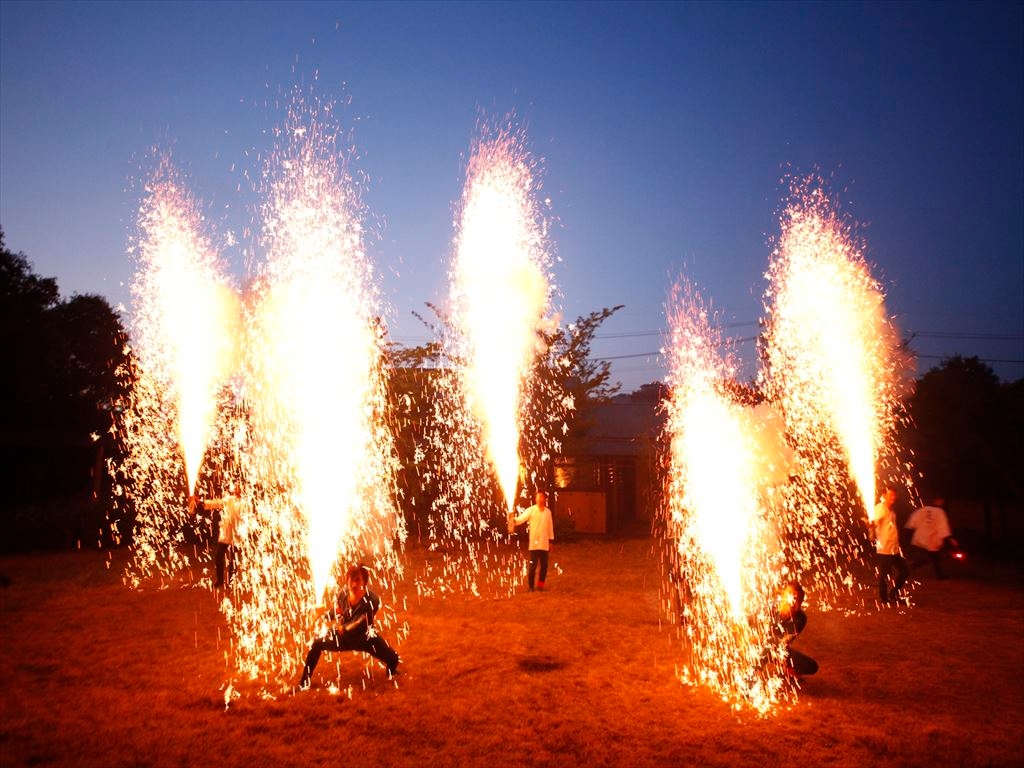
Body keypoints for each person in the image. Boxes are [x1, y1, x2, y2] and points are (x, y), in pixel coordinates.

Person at [298, 564, 400, 689]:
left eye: (358, 580)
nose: (354, 585)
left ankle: (392, 673)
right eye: (351, 580)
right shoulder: (344, 593)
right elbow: (339, 610)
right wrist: (321, 616)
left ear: (364, 582)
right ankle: (304, 683)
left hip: (366, 638)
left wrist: (344, 628)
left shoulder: (372, 600)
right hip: (343, 638)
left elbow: (360, 622)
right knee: (316, 644)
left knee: (393, 659)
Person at [190, 492, 241, 588]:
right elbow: (215, 503)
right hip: (225, 535)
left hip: (237, 536)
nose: (235, 489)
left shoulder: (246, 503)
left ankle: (231, 582)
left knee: (233, 560)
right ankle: (220, 581)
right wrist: (201, 502)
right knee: (219, 557)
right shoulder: (229, 500)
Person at [870, 487, 909, 604]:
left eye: (894, 495)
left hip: (894, 549)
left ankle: (893, 594)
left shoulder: (890, 510)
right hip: (885, 549)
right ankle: (884, 598)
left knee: (905, 571)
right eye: (891, 495)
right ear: (884, 495)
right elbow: (874, 522)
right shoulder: (880, 508)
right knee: (884, 575)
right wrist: (870, 525)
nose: (893, 497)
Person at [511, 490, 555, 592]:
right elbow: (521, 519)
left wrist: (551, 541)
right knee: (532, 567)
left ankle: (540, 585)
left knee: (544, 567)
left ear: (545, 499)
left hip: (544, 544)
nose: (539, 499)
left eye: (541, 497)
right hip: (534, 544)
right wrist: (513, 521)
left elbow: (550, 527)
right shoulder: (531, 510)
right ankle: (531, 587)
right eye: (538, 497)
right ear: (535, 498)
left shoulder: (548, 512)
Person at [906, 496, 957, 579]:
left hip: (922, 538)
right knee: (933, 557)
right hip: (932, 539)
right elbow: (943, 527)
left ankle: (913, 567)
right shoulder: (940, 512)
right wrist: (950, 538)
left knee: (933, 557)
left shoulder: (923, 509)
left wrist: (909, 532)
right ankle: (912, 567)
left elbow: (912, 522)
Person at [775, 581, 818, 677]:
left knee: (812, 666)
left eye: (796, 599)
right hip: (759, 646)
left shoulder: (800, 618)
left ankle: (788, 672)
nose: (791, 601)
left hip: (777, 649)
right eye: (789, 595)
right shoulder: (771, 608)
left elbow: (784, 643)